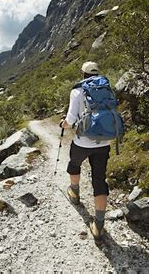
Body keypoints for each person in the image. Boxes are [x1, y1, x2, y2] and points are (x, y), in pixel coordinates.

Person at [59, 61, 111, 241]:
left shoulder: (77, 91)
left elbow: (70, 120)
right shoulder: (106, 88)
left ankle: (74, 192)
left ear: (83, 74)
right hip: (104, 142)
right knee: (99, 179)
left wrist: (63, 124)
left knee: (74, 164)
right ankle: (98, 225)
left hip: (82, 142)